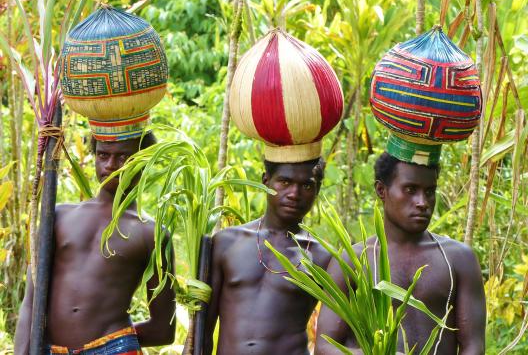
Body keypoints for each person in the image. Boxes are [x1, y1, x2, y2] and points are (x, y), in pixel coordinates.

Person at [14, 133, 175, 354]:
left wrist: (112, 343)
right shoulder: (59, 216)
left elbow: (163, 329)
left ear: (144, 160)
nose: (110, 165)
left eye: (123, 157)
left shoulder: (152, 234)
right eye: (103, 155)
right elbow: (31, 303)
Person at [315, 153, 486, 355]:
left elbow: (473, 346)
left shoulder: (459, 258)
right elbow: (325, 346)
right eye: (410, 190)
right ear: (381, 190)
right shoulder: (355, 261)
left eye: (429, 191)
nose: (422, 202)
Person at [204, 158, 332, 355]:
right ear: (266, 181)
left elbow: (335, 338)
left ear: (317, 190)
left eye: (306, 185)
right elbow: (202, 328)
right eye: (285, 182)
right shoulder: (226, 243)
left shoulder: (324, 257)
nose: (294, 194)